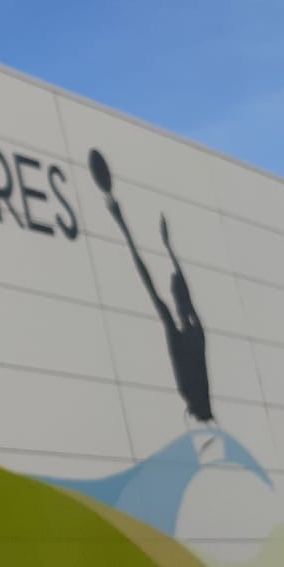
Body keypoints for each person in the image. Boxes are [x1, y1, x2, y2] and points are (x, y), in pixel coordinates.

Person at [92, 149, 213, 425]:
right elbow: (175, 290)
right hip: (202, 416)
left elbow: (151, 285)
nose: (174, 296)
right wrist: (168, 248)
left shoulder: (184, 339)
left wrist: (123, 225)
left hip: (199, 417)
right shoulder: (196, 334)